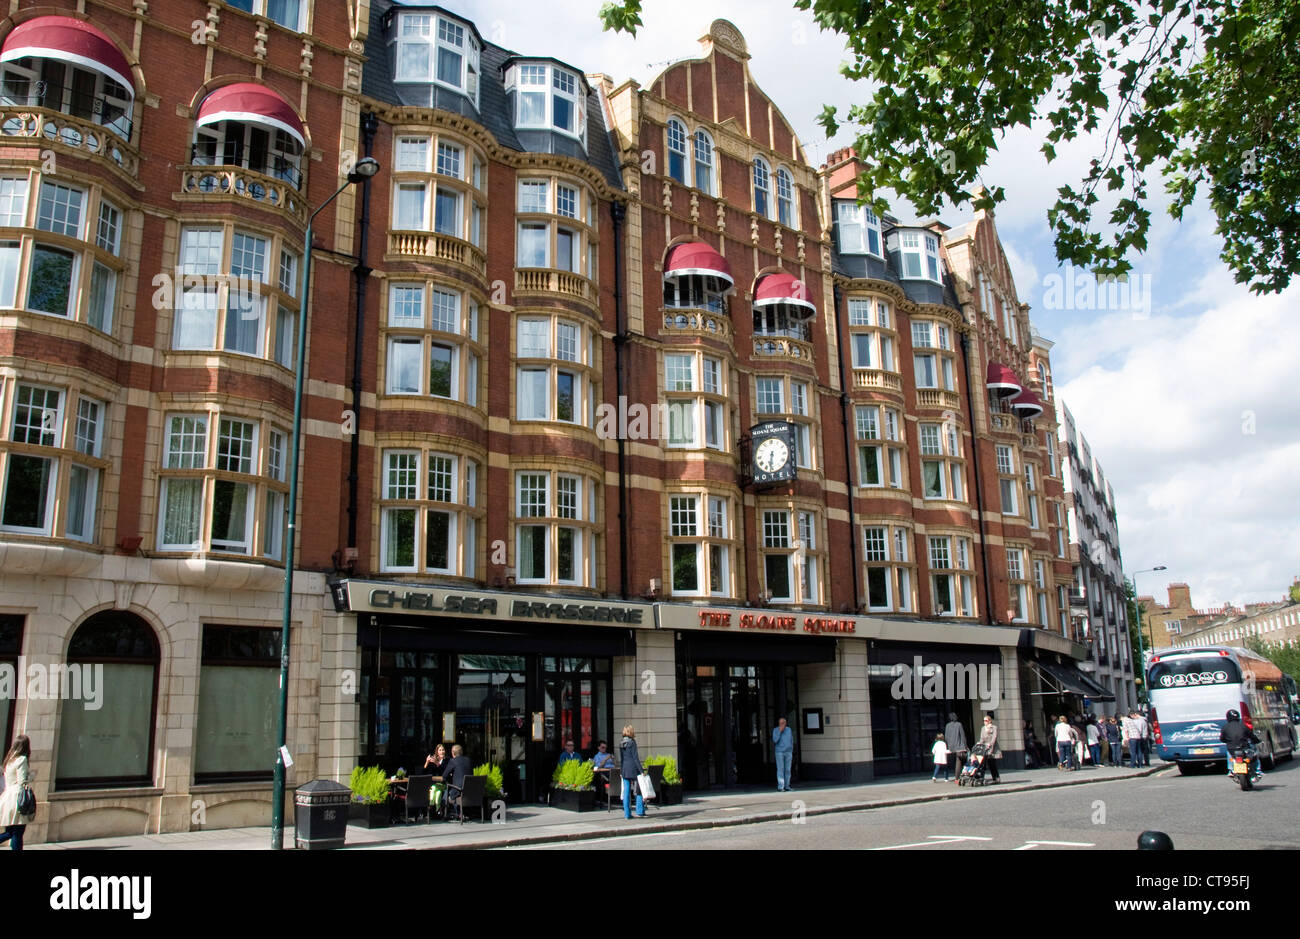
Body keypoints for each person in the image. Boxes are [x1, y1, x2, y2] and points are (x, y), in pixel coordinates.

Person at [0, 734, 35, 850]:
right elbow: (22, 782)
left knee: (11, 832)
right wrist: (31, 776)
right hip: (18, 799)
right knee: (17, 833)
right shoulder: (22, 760)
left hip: (8, 797)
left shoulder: (9, 759)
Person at [1219, 709, 1262, 782]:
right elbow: (1251, 736)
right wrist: (1257, 741)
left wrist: (1228, 741)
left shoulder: (1225, 727)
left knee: (1229, 754)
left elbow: (1222, 738)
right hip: (1244, 747)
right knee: (1254, 753)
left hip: (1232, 749)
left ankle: (1231, 770)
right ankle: (1257, 770)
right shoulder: (1243, 726)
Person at [619, 724, 646, 819]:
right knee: (639, 790)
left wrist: (621, 771)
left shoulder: (621, 743)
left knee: (626, 791)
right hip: (633, 768)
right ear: (631, 732)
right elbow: (635, 758)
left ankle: (627, 814)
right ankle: (640, 811)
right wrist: (641, 770)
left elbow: (621, 759)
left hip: (625, 769)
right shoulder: (632, 742)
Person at [443, 744, 474, 820]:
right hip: (470, 791)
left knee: (445, 793)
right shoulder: (468, 760)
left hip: (459, 791)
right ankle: (460, 813)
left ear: (453, 753)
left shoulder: (453, 761)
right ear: (462, 752)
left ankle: (451, 813)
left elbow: (444, 776)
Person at [424, 743, 449, 814]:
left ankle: (431, 805)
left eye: (443, 750)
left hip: (443, 784)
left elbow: (445, 773)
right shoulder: (434, 760)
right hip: (435, 783)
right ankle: (437, 811)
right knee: (438, 793)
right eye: (440, 750)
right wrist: (427, 762)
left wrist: (437, 764)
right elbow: (425, 772)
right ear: (437, 751)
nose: (442, 752)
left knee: (434, 788)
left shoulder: (447, 760)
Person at [944, 712, 968, 783]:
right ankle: (957, 777)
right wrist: (966, 746)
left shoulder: (947, 725)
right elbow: (962, 736)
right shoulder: (959, 724)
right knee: (960, 761)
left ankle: (958, 777)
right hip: (959, 746)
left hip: (951, 747)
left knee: (957, 761)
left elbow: (946, 737)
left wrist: (949, 745)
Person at [772, 716, 794, 792]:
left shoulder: (789, 730)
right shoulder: (775, 730)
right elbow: (775, 740)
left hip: (788, 752)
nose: (782, 724)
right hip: (779, 752)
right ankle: (781, 786)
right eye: (781, 723)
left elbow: (791, 740)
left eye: (783, 723)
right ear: (779, 723)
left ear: (786, 723)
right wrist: (779, 732)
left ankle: (787, 786)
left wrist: (791, 749)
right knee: (780, 769)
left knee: (788, 769)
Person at [978, 713, 1001, 783]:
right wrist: (980, 743)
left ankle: (996, 778)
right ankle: (982, 777)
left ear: (990, 721)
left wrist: (990, 744)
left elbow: (994, 737)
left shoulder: (994, 727)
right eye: (984, 720)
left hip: (993, 748)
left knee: (992, 764)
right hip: (985, 748)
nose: (985, 722)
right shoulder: (983, 728)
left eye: (986, 720)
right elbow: (982, 738)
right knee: (985, 763)